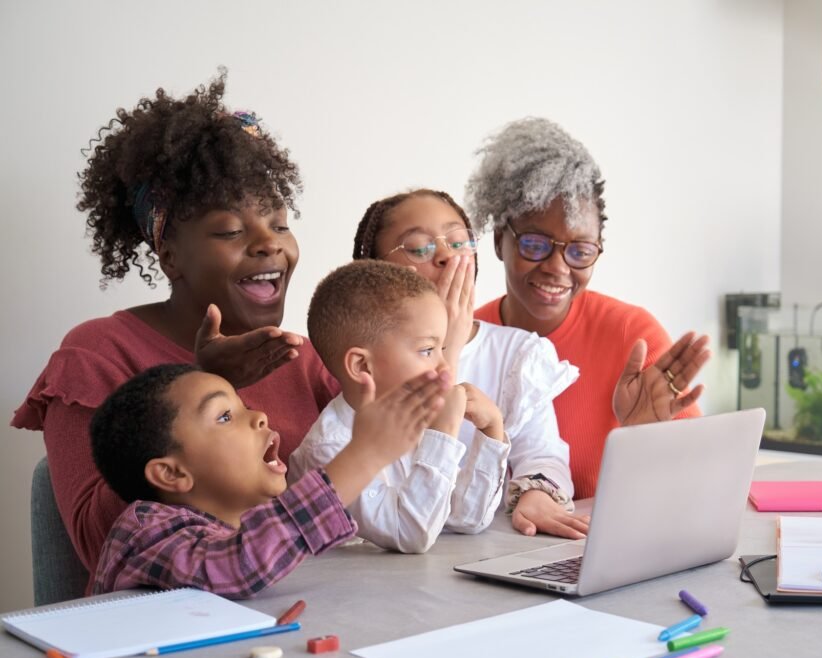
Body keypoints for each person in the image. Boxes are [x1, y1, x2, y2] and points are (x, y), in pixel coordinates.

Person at [11, 71, 338, 578]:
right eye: (230, 230)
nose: (269, 244)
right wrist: (211, 382)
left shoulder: (303, 356)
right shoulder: (96, 353)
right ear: (170, 256)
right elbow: (102, 546)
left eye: (279, 224)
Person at [466, 118, 712, 499]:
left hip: (596, 548)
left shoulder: (632, 335)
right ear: (500, 241)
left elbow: (700, 484)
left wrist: (641, 441)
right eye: (535, 244)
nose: (557, 268)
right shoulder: (465, 339)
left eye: (580, 251)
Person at [90, 363, 449, 598]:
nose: (259, 416)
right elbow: (234, 566)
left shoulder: (238, 524)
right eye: (226, 416)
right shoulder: (147, 532)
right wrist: (364, 455)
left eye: (243, 405)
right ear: (172, 474)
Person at [352, 189, 589, 540]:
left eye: (459, 241)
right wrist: (447, 344)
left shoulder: (517, 352)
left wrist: (536, 495)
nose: (447, 256)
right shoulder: (367, 360)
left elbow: (542, 453)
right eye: (420, 248)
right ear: (375, 273)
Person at [289, 260, 511, 553]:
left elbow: (463, 518)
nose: (445, 365)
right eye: (427, 350)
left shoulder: (410, 423)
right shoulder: (329, 449)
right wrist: (443, 433)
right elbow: (410, 533)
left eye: (442, 348)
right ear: (362, 365)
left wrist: (492, 430)